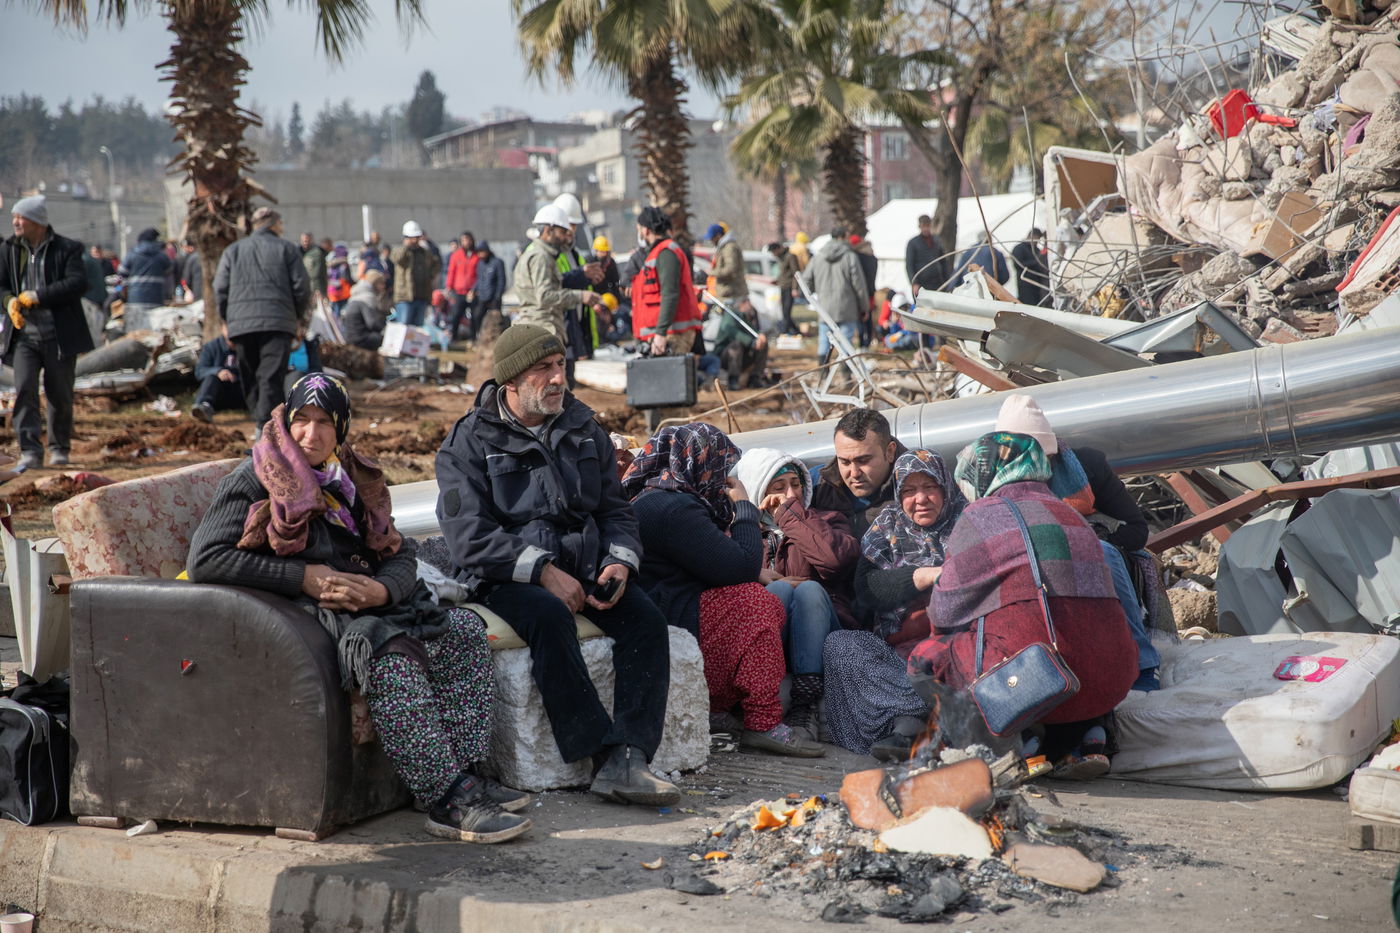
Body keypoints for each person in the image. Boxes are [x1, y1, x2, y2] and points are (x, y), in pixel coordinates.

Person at [187, 374, 530, 843]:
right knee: (388, 653)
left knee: (462, 630)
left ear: (341, 427)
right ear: (286, 421)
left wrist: (381, 592)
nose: (312, 434)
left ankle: (460, 770)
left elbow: (399, 552)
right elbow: (206, 559)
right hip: (303, 616)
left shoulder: (350, 476)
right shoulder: (255, 477)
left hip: (364, 604)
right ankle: (447, 800)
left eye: (325, 422)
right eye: (301, 420)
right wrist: (303, 577)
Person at [434, 325, 679, 805]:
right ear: (511, 383)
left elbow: (615, 510)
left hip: (585, 566)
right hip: (503, 575)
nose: (557, 379)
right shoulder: (468, 442)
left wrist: (619, 562)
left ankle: (631, 756)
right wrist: (544, 571)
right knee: (548, 616)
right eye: (542, 370)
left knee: (647, 620)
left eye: (560, 366)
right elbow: (468, 537)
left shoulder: (583, 427)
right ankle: (599, 757)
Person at [907, 431, 1138, 779]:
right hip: (1112, 679)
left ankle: (1005, 747)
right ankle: (1085, 740)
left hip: (1043, 680)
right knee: (1074, 636)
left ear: (982, 473)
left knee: (926, 657)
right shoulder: (1071, 513)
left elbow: (944, 611)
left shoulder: (982, 515)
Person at [624, 424, 823, 757]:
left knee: (760, 594)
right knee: (756, 605)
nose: (721, 477)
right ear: (700, 462)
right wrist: (744, 506)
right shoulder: (673, 507)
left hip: (664, 603)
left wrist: (754, 570)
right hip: (664, 614)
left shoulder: (659, 497)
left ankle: (732, 711)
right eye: (720, 466)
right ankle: (762, 722)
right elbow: (739, 566)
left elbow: (718, 563)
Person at [994, 394, 1160, 691]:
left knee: (1104, 553)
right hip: (1029, 557)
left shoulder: (1086, 466)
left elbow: (1137, 530)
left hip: (1091, 553)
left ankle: (1144, 661)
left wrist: (1080, 538)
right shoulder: (993, 478)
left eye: (1041, 459)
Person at [819, 450, 967, 758]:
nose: (921, 499)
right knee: (841, 645)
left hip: (957, 649)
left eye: (930, 487)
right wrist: (921, 576)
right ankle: (921, 718)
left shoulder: (969, 521)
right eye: (910, 491)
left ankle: (911, 726)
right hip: (898, 655)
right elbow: (867, 589)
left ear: (946, 488)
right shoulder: (887, 524)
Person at [733, 447, 857, 742]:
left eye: (796, 484)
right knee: (776, 589)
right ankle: (769, 694)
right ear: (758, 491)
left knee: (810, 589)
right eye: (779, 488)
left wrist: (789, 516)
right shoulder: (742, 532)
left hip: (824, 633)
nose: (791, 494)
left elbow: (833, 560)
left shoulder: (828, 519)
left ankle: (805, 701)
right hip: (772, 642)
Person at [0, 196, 94, 469]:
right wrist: (9, 302)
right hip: (24, 336)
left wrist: (39, 296)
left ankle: (59, 447)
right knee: (25, 388)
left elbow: (77, 283)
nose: (15, 222)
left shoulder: (67, 248)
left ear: (38, 222)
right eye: (15, 217)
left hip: (59, 335)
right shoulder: (8, 249)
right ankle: (30, 449)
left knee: (59, 393)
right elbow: (2, 286)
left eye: (21, 217)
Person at [213, 207, 312, 437]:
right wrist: (297, 317)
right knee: (270, 375)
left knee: (251, 375)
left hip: (242, 325)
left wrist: (225, 320)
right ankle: (264, 426)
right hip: (278, 323)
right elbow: (302, 288)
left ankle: (262, 424)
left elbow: (220, 289)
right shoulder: (287, 249)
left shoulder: (233, 251)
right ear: (274, 225)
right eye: (281, 223)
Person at [514, 204, 606, 354]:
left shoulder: (544, 255)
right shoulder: (541, 257)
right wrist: (581, 296)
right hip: (542, 330)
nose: (565, 237)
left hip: (542, 329)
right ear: (549, 230)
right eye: (562, 232)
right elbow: (544, 296)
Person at [810, 408, 908, 539]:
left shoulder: (917, 490)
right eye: (844, 462)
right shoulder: (817, 484)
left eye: (863, 461)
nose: (854, 473)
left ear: (889, 452)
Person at [629, 206, 702, 357]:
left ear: (646, 230)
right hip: (666, 333)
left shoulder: (666, 253)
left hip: (672, 335)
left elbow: (670, 294)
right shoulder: (657, 253)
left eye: (639, 228)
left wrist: (660, 334)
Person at [800, 226, 869, 361]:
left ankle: (823, 373)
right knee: (846, 341)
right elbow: (859, 284)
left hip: (824, 306)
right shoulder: (850, 256)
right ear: (842, 237)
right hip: (846, 306)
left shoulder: (818, 256)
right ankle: (845, 374)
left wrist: (815, 293)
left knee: (824, 340)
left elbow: (806, 280)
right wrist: (864, 307)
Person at [189, 322, 244, 422]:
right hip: (218, 394)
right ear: (222, 328)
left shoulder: (247, 347)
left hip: (241, 392)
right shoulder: (211, 347)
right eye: (229, 328)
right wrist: (218, 371)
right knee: (211, 377)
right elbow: (199, 372)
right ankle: (203, 408)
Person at [713, 295, 768, 390]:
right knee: (736, 346)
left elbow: (752, 330)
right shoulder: (731, 315)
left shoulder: (743, 317)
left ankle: (755, 378)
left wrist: (760, 336)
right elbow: (732, 332)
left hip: (742, 357)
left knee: (763, 343)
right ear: (743, 303)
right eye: (748, 303)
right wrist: (751, 342)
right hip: (725, 357)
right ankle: (733, 380)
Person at [119, 227, 175, 322]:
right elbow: (169, 273)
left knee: (137, 330)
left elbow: (121, 272)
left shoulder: (132, 253)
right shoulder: (161, 256)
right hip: (156, 299)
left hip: (135, 299)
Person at [390, 221, 439, 327]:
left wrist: (431, 275)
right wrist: (405, 246)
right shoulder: (400, 251)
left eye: (417, 237)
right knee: (403, 327)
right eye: (412, 237)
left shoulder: (424, 252)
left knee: (417, 330)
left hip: (421, 296)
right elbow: (396, 259)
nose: (415, 240)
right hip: (405, 297)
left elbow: (436, 264)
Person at [341, 269, 390, 351]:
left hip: (348, 337)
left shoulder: (355, 296)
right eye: (381, 283)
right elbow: (372, 323)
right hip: (361, 338)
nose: (383, 286)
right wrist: (385, 328)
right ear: (374, 283)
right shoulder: (368, 298)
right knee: (385, 338)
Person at [445, 231, 478, 342]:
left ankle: (473, 339)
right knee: (456, 315)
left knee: (474, 316)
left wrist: (475, 289)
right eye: (463, 240)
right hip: (459, 291)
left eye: (468, 240)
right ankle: (453, 338)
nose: (466, 242)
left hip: (472, 292)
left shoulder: (476, 255)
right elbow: (451, 272)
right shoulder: (456, 255)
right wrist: (449, 286)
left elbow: (479, 273)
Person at [905, 214, 948, 296]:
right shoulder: (913, 243)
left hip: (937, 283)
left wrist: (947, 280)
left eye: (927, 226)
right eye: (923, 226)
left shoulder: (936, 241)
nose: (926, 229)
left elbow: (943, 262)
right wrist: (914, 283)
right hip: (922, 284)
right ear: (920, 226)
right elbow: (909, 265)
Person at [471, 240, 506, 339]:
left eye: (482, 251)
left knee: (495, 319)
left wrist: (498, 296)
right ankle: (481, 335)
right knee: (477, 316)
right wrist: (473, 290)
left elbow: (501, 280)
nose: (480, 254)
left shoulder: (497, 262)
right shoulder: (480, 264)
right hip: (482, 296)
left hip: (494, 296)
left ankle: (497, 338)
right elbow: (479, 279)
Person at [706, 222, 746, 307]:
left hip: (733, 294)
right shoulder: (723, 247)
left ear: (718, 236)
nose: (711, 241)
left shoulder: (729, 248)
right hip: (727, 293)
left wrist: (712, 272)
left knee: (729, 319)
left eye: (712, 238)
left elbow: (730, 269)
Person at [767, 241, 801, 336]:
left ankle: (785, 331)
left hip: (790, 287)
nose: (773, 254)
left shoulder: (790, 256)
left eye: (773, 252)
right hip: (783, 286)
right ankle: (794, 331)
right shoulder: (781, 258)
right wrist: (777, 281)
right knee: (784, 311)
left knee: (786, 311)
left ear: (778, 249)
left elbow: (795, 274)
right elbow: (784, 273)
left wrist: (795, 288)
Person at [850, 234, 878, 348]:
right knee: (868, 316)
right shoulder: (872, 256)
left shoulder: (857, 256)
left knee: (861, 316)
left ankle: (862, 342)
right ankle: (867, 342)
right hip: (871, 291)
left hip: (861, 291)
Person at [1011, 228, 1052, 307]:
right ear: (1031, 236)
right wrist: (1036, 262)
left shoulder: (1036, 250)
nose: (1037, 242)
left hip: (1037, 286)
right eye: (1037, 239)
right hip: (1025, 286)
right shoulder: (1019, 248)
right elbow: (1018, 264)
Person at [300, 232, 328, 303]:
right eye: (303, 241)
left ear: (311, 240)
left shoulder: (316, 253)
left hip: (316, 289)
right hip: (306, 288)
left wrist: (317, 289)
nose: (305, 243)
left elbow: (315, 274)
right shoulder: (301, 251)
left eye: (306, 241)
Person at [326, 245, 353, 317]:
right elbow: (347, 278)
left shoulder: (330, 263)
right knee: (344, 313)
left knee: (335, 314)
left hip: (332, 292)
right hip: (344, 293)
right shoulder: (344, 264)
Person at [178, 238, 203, 303]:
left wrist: (186, 290)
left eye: (185, 247)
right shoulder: (208, 256)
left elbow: (185, 280)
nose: (184, 250)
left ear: (191, 247)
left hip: (196, 294)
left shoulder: (191, 258)